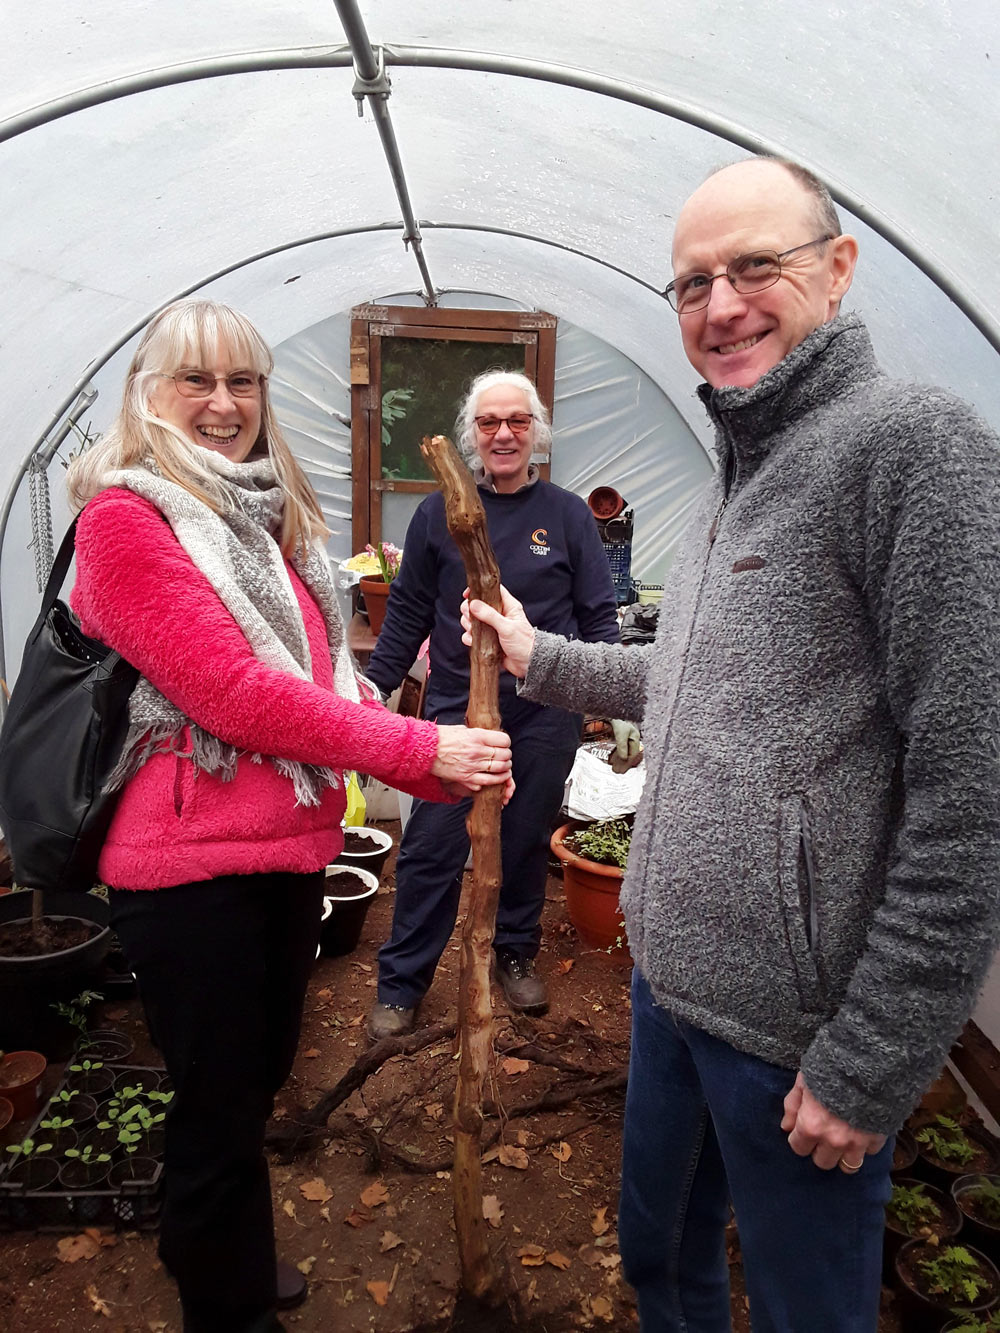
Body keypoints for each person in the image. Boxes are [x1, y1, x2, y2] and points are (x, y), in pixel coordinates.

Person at [465, 158, 1000, 1332]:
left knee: (807, 1310)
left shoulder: (912, 450)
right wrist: (540, 657)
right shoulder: (728, 486)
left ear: (838, 269)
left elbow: (974, 785)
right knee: (660, 1263)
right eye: (693, 281)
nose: (721, 305)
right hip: (669, 986)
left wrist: (872, 1055)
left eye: (756, 266)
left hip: (794, 1037)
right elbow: (696, 680)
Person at [65, 299, 512, 1333]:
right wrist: (419, 748)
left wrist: (451, 772)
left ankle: (215, 1248)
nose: (224, 405)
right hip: (187, 867)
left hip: (282, 854)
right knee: (219, 1108)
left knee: (253, 1081)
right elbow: (235, 694)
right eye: (197, 380)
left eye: (244, 382)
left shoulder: (262, 524)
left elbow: (324, 680)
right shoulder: (125, 520)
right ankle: (226, 1307)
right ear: (149, 392)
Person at [364, 369, 620, 1039]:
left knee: (525, 838)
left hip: (543, 710)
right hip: (456, 710)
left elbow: (599, 618)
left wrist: (602, 699)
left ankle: (513, 951)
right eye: (488, 422)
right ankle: (403, 981)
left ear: (537, 431)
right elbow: (408, 613)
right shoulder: (438, 513)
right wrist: (371, 690)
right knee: (430, 848)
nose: (503, 433)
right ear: (469, 435)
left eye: (517, 421)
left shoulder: (566, 515)